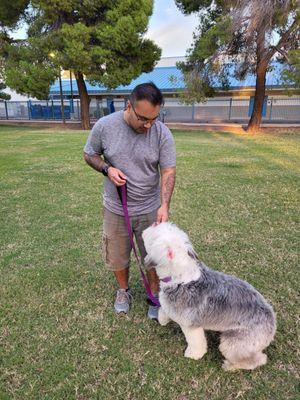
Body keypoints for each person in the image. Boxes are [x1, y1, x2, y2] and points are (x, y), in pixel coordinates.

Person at [83, 82, 176, 320]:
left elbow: (168, 171)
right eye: (143, 118)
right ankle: (123, 291)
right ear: (129, 107)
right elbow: (89, 154)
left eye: (153, 119)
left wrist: (164, 205)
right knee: (117, 254)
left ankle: (155, 295)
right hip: (116, 208)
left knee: (153, 255)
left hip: (150, 208)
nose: (148, 125)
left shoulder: (161, 132)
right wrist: (106, 169)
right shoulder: (105, 126)